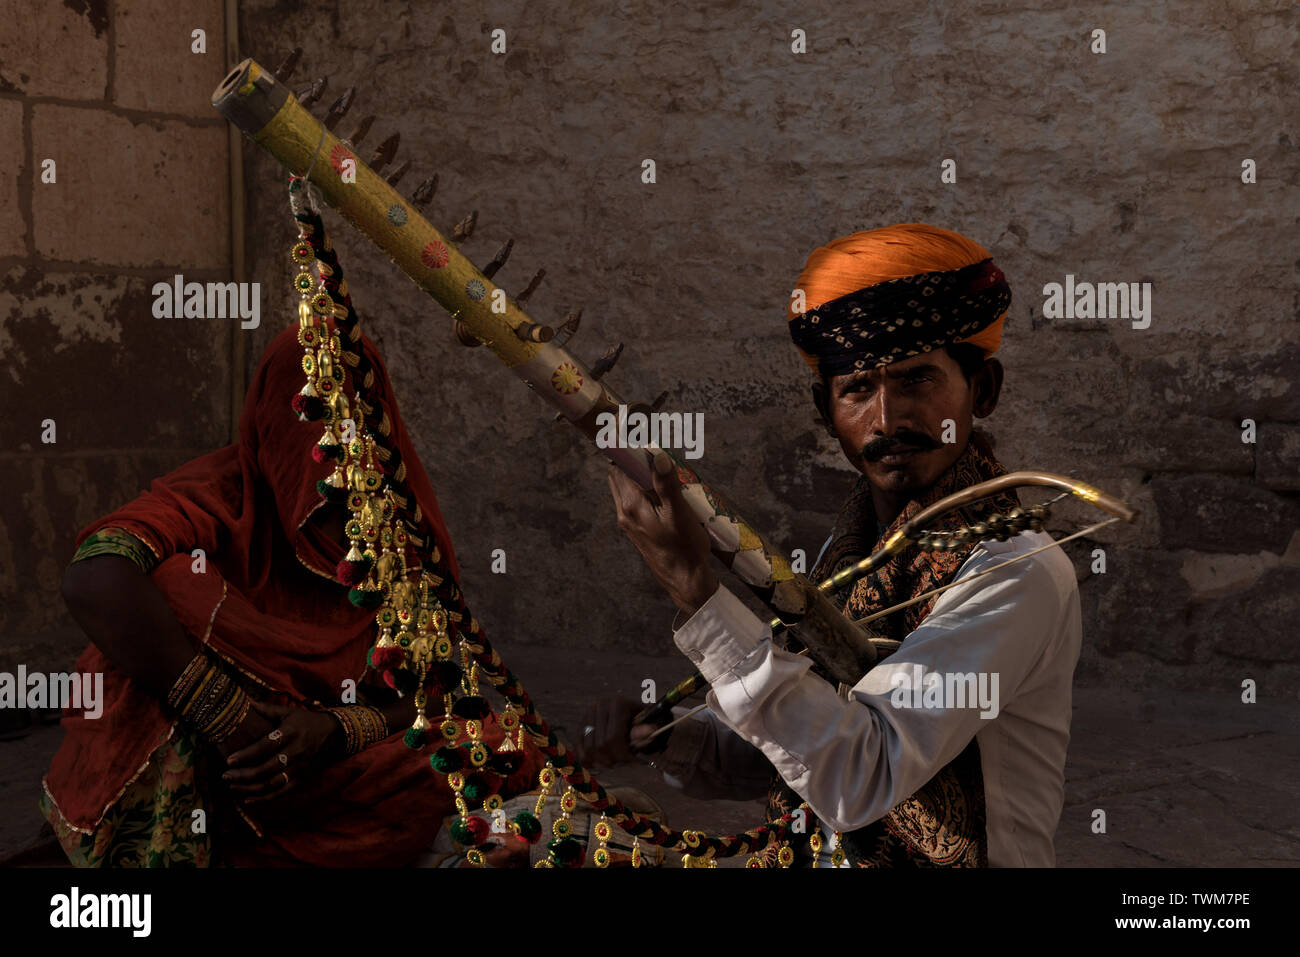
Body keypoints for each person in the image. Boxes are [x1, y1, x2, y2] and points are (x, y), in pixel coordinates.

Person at [582, 223, 1082, 867]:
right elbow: (801, 752)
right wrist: (671, 738)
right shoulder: (853, 552)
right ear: (826, 411)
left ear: (981, 391)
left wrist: (695, 591)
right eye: (857, 390)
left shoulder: (1014, 571)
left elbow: (861, 775)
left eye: (918, 381)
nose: (887, 419)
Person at [44, 277, 539, 866]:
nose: (342, 511)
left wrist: (329, 732)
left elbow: (435, 692)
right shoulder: (220, 496)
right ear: (277, 447)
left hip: (323, 765)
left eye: (356, 473)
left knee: (487, 744)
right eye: (320, 488)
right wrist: (226, 715)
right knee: (169, 594)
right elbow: (93, 578)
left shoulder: (397, 532)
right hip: (220, 768)